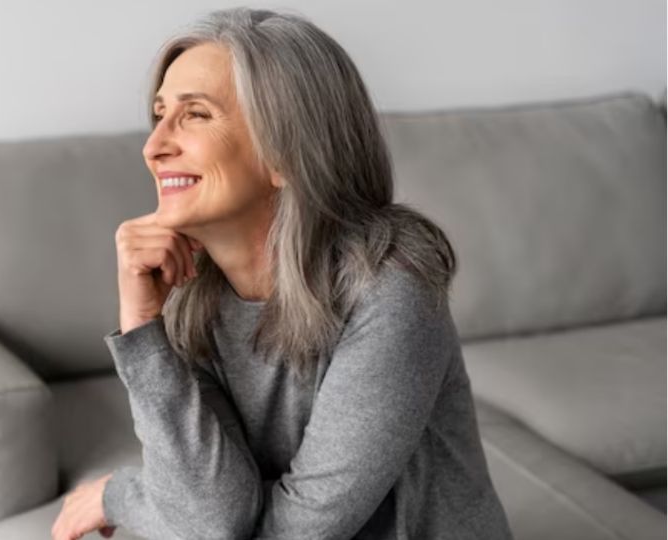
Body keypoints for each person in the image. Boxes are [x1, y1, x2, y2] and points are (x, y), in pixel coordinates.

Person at [52, 7, 513, 540]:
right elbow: (211, 517)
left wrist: (121, 496)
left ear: (285, 154)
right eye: (159, 115)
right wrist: (141, 325)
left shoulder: (392, 286)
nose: (154, 147)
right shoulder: (184, 293)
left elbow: (297, 533)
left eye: (195, 114)